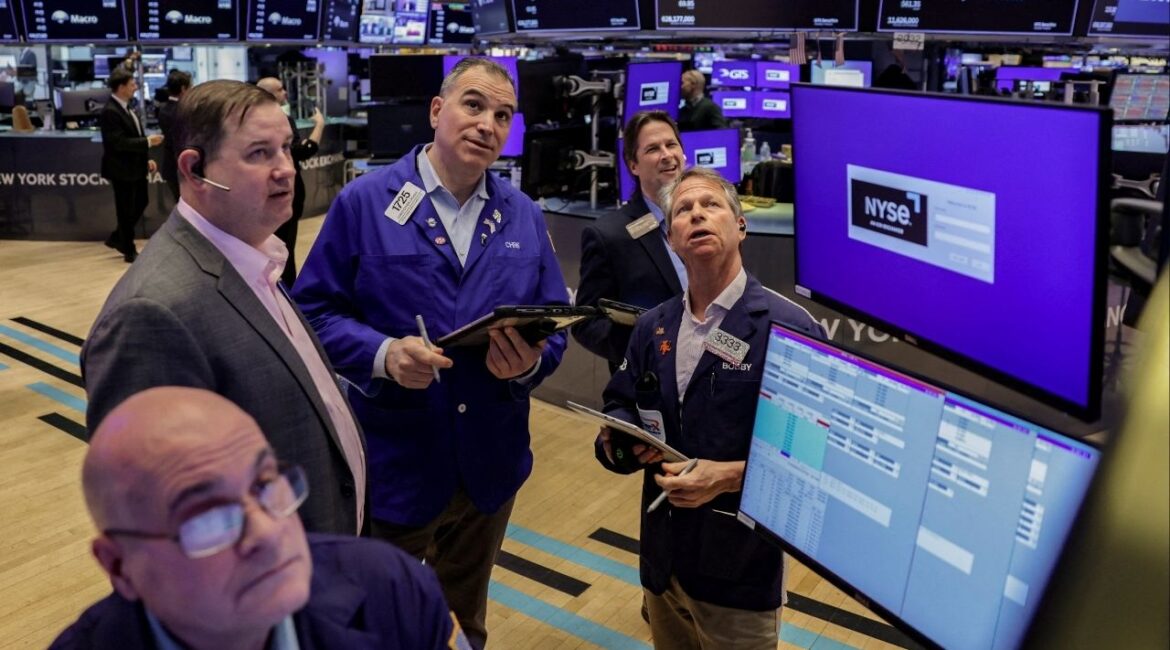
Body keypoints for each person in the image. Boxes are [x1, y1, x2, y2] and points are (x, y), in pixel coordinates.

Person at [293, 57, 569, 648]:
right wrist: (384, 353)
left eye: (503, 115)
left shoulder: (521, 214)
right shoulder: (366, 203)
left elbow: (556, 326)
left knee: (462, 624)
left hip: (489, 470)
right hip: (396, 464)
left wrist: (530, 365)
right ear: (437, 111)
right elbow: (311, 313)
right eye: (473, 106)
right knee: (375, 626)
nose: (487, 125)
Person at [82, 79, 366, 537]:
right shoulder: (151, 315)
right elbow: (161, 528)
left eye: (286, 148)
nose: (287, 169)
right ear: (194, 170)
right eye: (259, 153)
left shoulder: (257, 260)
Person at [595, 166, 824, 649]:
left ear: (740, 226)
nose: (697, 214)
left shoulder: (789, 328)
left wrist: (727, 476)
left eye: (711, 205)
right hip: (662, 567)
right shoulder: (652, 326)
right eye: (683, 210)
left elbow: (814, 459)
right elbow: (620, 401)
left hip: (740, 575)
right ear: (672, 238)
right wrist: (618, 436)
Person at [51, 386, 467, 650]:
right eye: (209, 519)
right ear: (119, 566)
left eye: (266, 485)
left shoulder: (395, 590)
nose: (269, 533)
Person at [573, 111, 687, 374]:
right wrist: (647, 348)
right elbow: (586, 323)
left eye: (671, 145)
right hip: (648, 386)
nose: (667, 155)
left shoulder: (705, 220)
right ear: (633, 165)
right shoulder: (609, 235)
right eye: (653, 149)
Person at [256, 76, 326, 288]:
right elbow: (303, 152)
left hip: (269, 196)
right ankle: (287, 295)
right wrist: (319, 125)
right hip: (284, 194)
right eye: (280, 89)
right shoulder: (281, 120)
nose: (285, 93)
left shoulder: (257, 121)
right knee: (284, 248)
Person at [100, 68, 163, 263]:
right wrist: (148, 142)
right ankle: (128, 248)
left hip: (135, 166)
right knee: (125, 209)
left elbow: (132, 136)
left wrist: (145, 158)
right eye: (132, 84)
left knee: (141, 202)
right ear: (121, 87)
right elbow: (118, 143)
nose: (135, 87)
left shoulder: (127, 107)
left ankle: (118, 237)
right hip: (122, 169)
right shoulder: (110, 111)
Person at [156, 70, 192, 203]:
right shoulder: (184, 111)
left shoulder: (163, 109)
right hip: (185, 168)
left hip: (171, 166)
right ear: (183, 88)